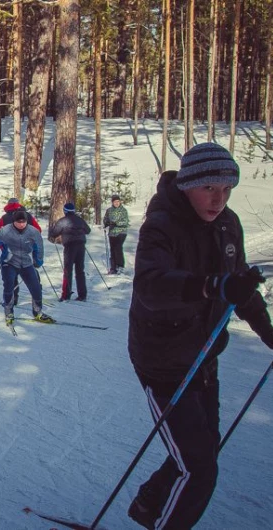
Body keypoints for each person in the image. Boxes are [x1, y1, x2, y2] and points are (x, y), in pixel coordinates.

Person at [126, 142, 273, 530]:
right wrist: (212, 286)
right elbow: (150, 286)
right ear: (189, 183)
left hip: (204, 354)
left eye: (226, 188)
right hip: (163, 359)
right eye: (209, 187)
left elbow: (239, 287)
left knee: (204, 449)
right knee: (200, 470)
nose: (218, 198)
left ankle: (148, 504)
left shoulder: (228, 224)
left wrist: (269, 333)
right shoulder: (161, 224)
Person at [0, 210, 53, 324]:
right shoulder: (5, 231)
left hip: (25, 263)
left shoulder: (33, 232)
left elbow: (39, 246)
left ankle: (37, 312)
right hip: (8, 263)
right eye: (18, 222)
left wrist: (38, 260)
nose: (21, 224)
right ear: (14, 221)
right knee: (9, 286)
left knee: (36, 288)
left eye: (23, 222)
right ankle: (9, 311)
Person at [0, 197, 42, 305]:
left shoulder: (4, 218)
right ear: (18, 204)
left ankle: (13, 299)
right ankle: (37, 296)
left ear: (8, 206)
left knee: (11, 275)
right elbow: (38, 230)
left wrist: (3, 248)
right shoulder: (27, 216)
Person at [48, 202, 91, 301]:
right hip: (81, 246)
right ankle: (82, 295)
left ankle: (66, 294)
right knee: (80, 271)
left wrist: (52, 232)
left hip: (70, 247)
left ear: (65, 211)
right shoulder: (80, 220)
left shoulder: (63, 221)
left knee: (68, 270)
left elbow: (54, 233)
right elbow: (88, 230)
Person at [103, 194, 130, 274]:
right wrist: (106, 223)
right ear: (112, 202)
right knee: (113, 249)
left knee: (118, 248)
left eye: (118, 201)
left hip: (121, 232)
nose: (117, 203)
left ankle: (120, 266)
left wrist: (117, 223)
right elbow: (105, 219)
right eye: (115, 202)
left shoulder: (123, 210)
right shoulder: (109, 210)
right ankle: (113, 267)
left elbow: (125, 222)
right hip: (112, 233)